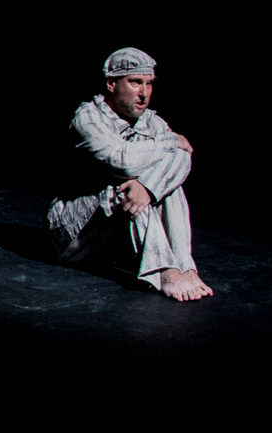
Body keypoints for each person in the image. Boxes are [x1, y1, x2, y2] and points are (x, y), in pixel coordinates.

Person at [45, 47, 212, 302]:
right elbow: (120, 161)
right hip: (71, 235)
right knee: (123, 187)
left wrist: (147, 189)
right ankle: (165, 272)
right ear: (111, 84)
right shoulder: (88, 117)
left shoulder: (152, 123)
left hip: (112, 244)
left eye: (149, 83)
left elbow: (183, 156)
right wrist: (168, 142)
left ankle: (184, 266)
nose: (144, 93)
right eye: (135, 82)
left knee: (166, 185)